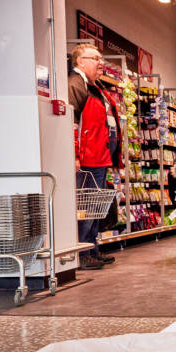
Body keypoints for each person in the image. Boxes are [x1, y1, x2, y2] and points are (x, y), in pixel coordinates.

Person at [69, 43, 121, 270]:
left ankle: (92, 248)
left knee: (95, 207)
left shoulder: (93, 86)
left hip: (100, 158)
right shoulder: (76, 84)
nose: (101, 62)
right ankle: (83, 252)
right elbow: (71, 123)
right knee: (87, 207)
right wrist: (74, 155)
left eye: (101, 58)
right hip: (88, 160)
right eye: (95, 58)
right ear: (80, 61)